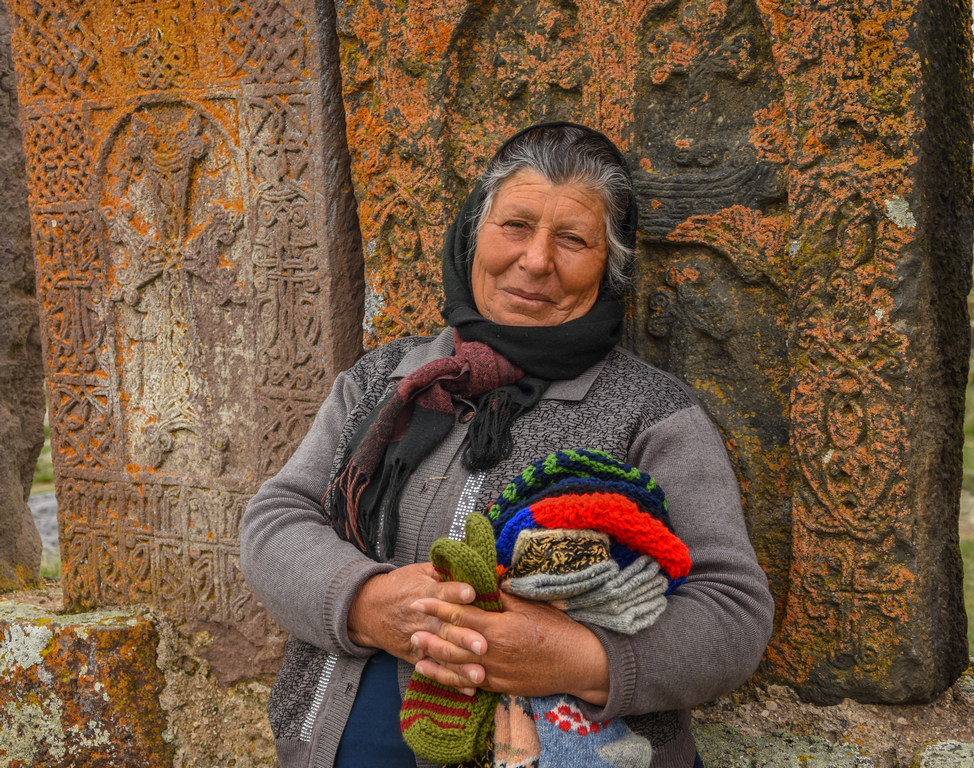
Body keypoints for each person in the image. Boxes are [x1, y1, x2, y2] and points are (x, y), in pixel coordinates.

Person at [240, 122, 775, 768]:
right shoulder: (384, 379)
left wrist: (577, 657)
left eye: (573, 239)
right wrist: (367, 603)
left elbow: (734, 613)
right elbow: (276, 520)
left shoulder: (652, 415)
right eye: (515, 225)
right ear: (475, 232)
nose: (537, 260)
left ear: (610, 268)